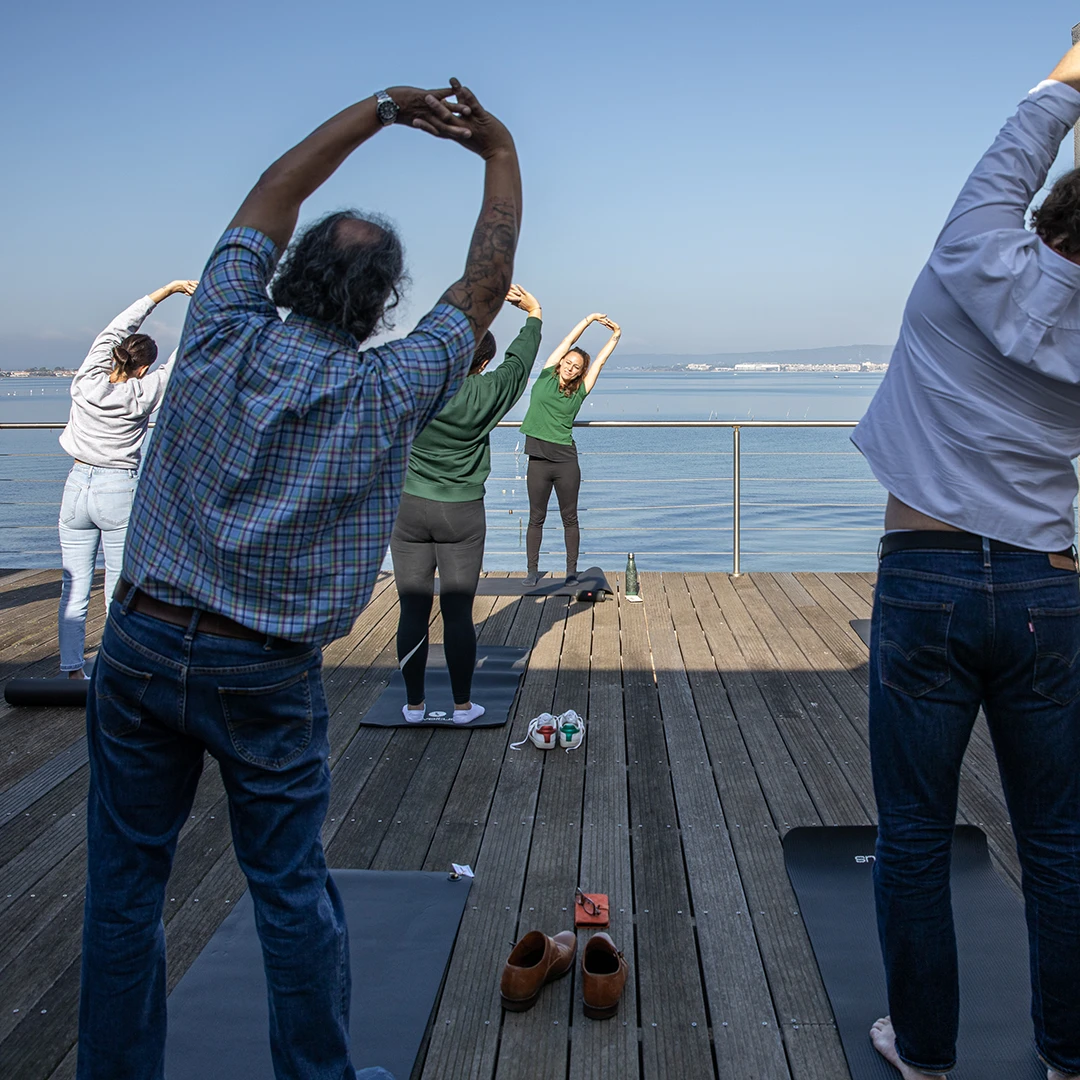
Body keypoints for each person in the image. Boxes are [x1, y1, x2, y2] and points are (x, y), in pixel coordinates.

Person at [77, 80, 520, 1080]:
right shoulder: (393, 384)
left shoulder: (224, 323)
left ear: (289, 274)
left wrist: (378, 112)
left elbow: (276, 186)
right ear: (381, 305)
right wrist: (497, 151)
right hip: (262, 673)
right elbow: (484, 289)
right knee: (289, 892)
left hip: (142, 641)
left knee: (122, 897)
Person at [851, 43, 1080, 1080]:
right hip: (1047, 585)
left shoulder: (973, 247)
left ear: (1045, 219)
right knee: (1061, 842)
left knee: (912, 836)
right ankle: (1070, 1052)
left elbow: (1037, 116)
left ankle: (926, 1053)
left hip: (927, 574)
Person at [391, 284, 542, 724]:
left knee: (412, 609)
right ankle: (461, 706)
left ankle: (415, 706)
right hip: (461, 513)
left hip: (410, 508)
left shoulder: (414, 387)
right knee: (457, 613)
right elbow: (522, 361)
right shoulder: (488, 391)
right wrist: (533, 313)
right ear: (483, 363)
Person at [56, 280, 196, 679]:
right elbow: (185, 354)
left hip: (75, 487)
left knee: (74, 587)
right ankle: (117, 669)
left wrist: (164, 292)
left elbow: (114, 329)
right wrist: (201, 304)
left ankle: (70, 671)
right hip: (117, 489)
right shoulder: (146, 390)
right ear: (144, 367)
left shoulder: (85, 381)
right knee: (119, 588)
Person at [518, 311, 620, 585]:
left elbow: (599, 361)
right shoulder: (546, 377)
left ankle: (571, 572)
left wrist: (615, 336)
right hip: (538, 459)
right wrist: (588, 321)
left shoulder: (580, 390)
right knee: (535, 517)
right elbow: (568, 340)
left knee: (569, 518)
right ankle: (531, 571)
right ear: (562, 360)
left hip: (565, 461)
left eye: (577, 366)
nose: (571, 368)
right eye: (569, 362)